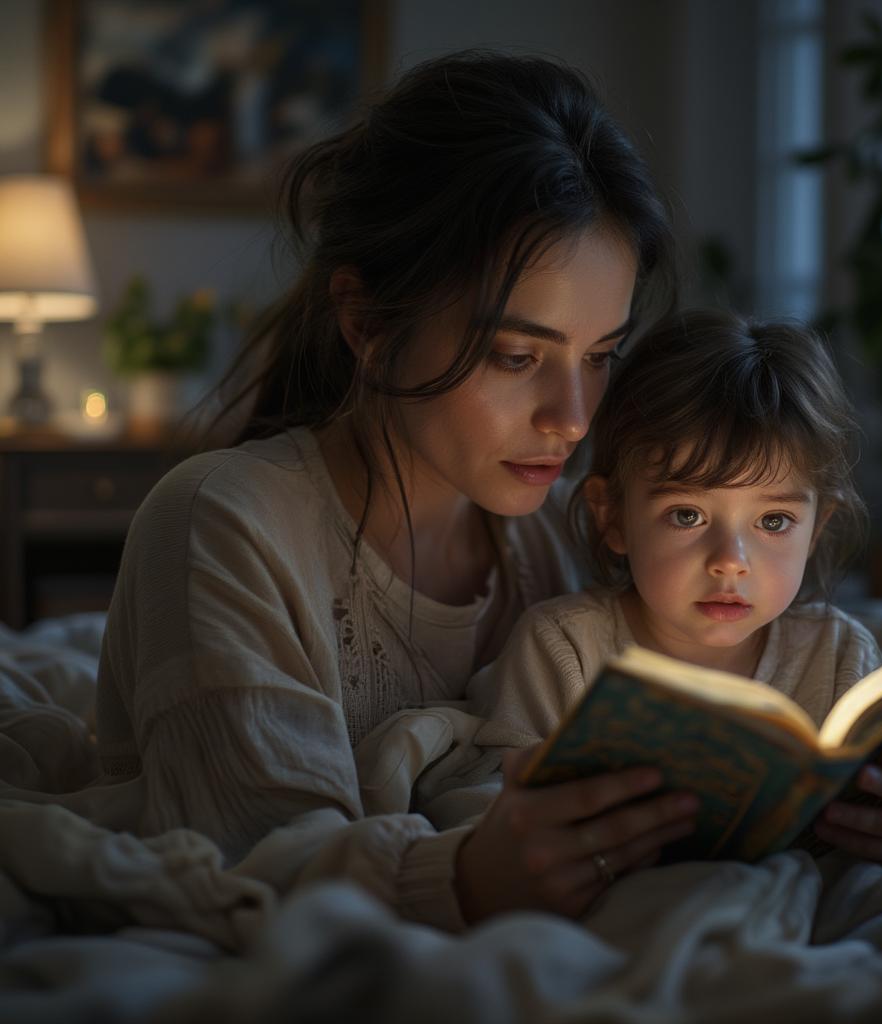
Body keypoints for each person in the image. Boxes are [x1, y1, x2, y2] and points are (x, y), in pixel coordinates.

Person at [94, 50, 698, 933]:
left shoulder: (549, 554)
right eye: (518, 357)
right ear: (370, 327)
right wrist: (466, 878)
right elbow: (252, 859)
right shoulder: (222, 524)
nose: (572, 419)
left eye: (599, 358)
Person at [467, 309, 882, 887]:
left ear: (816, 530)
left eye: (774, 521)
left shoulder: (837, 652)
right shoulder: (563, 648)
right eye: (687, 514)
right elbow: (485, 806)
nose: (731, 559)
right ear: (614, 516)